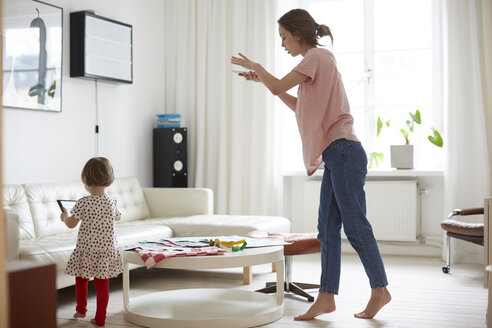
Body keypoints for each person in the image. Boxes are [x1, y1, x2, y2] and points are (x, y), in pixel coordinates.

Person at [231, 8, 391, 320]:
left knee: (355, 226)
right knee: (327, 229)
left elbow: (279, 86)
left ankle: (380, 289)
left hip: (344, 151)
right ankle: (326, 296)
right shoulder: (314, 65)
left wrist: (258, 68)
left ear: (297, 33)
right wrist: (264, 80)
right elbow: (296, 104)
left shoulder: (317, 58)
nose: (282, 45)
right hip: (336, 155)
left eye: (283, 37)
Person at [61, 157, 122, 327]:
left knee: (81, 278)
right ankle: (101, 318)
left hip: (87, 249)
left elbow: (71, 224)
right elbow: (117, 217)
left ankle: (81, 309)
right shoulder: (112, 201)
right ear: (109, 178)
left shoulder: (83, 202)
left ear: (86, 179)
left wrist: (64, 216)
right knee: (103, 284)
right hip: (106, 250)